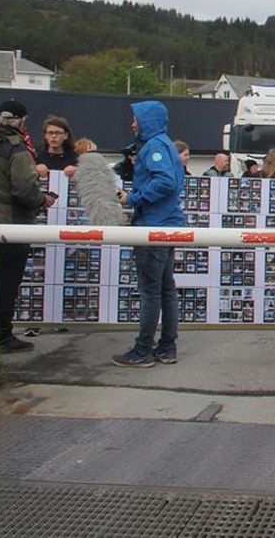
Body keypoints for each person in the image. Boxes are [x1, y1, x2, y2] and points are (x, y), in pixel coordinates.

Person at [0, 99, 57, 352]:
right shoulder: (16, 149)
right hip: (12, 224)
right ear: (20, 121)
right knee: (6, 282)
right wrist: (42, 200)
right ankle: (1, 335)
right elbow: (24, 189)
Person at [112, 101, 186, 367]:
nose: (132, 124)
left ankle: (143, 350)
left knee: (151, 290)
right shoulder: (165, 144)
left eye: (136, 119)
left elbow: (165, 182)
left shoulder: (154, 146)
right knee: (166, 288)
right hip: (166, 222)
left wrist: (132, 198)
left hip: (154, 225)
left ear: (147, 121)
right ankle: (167, 346)